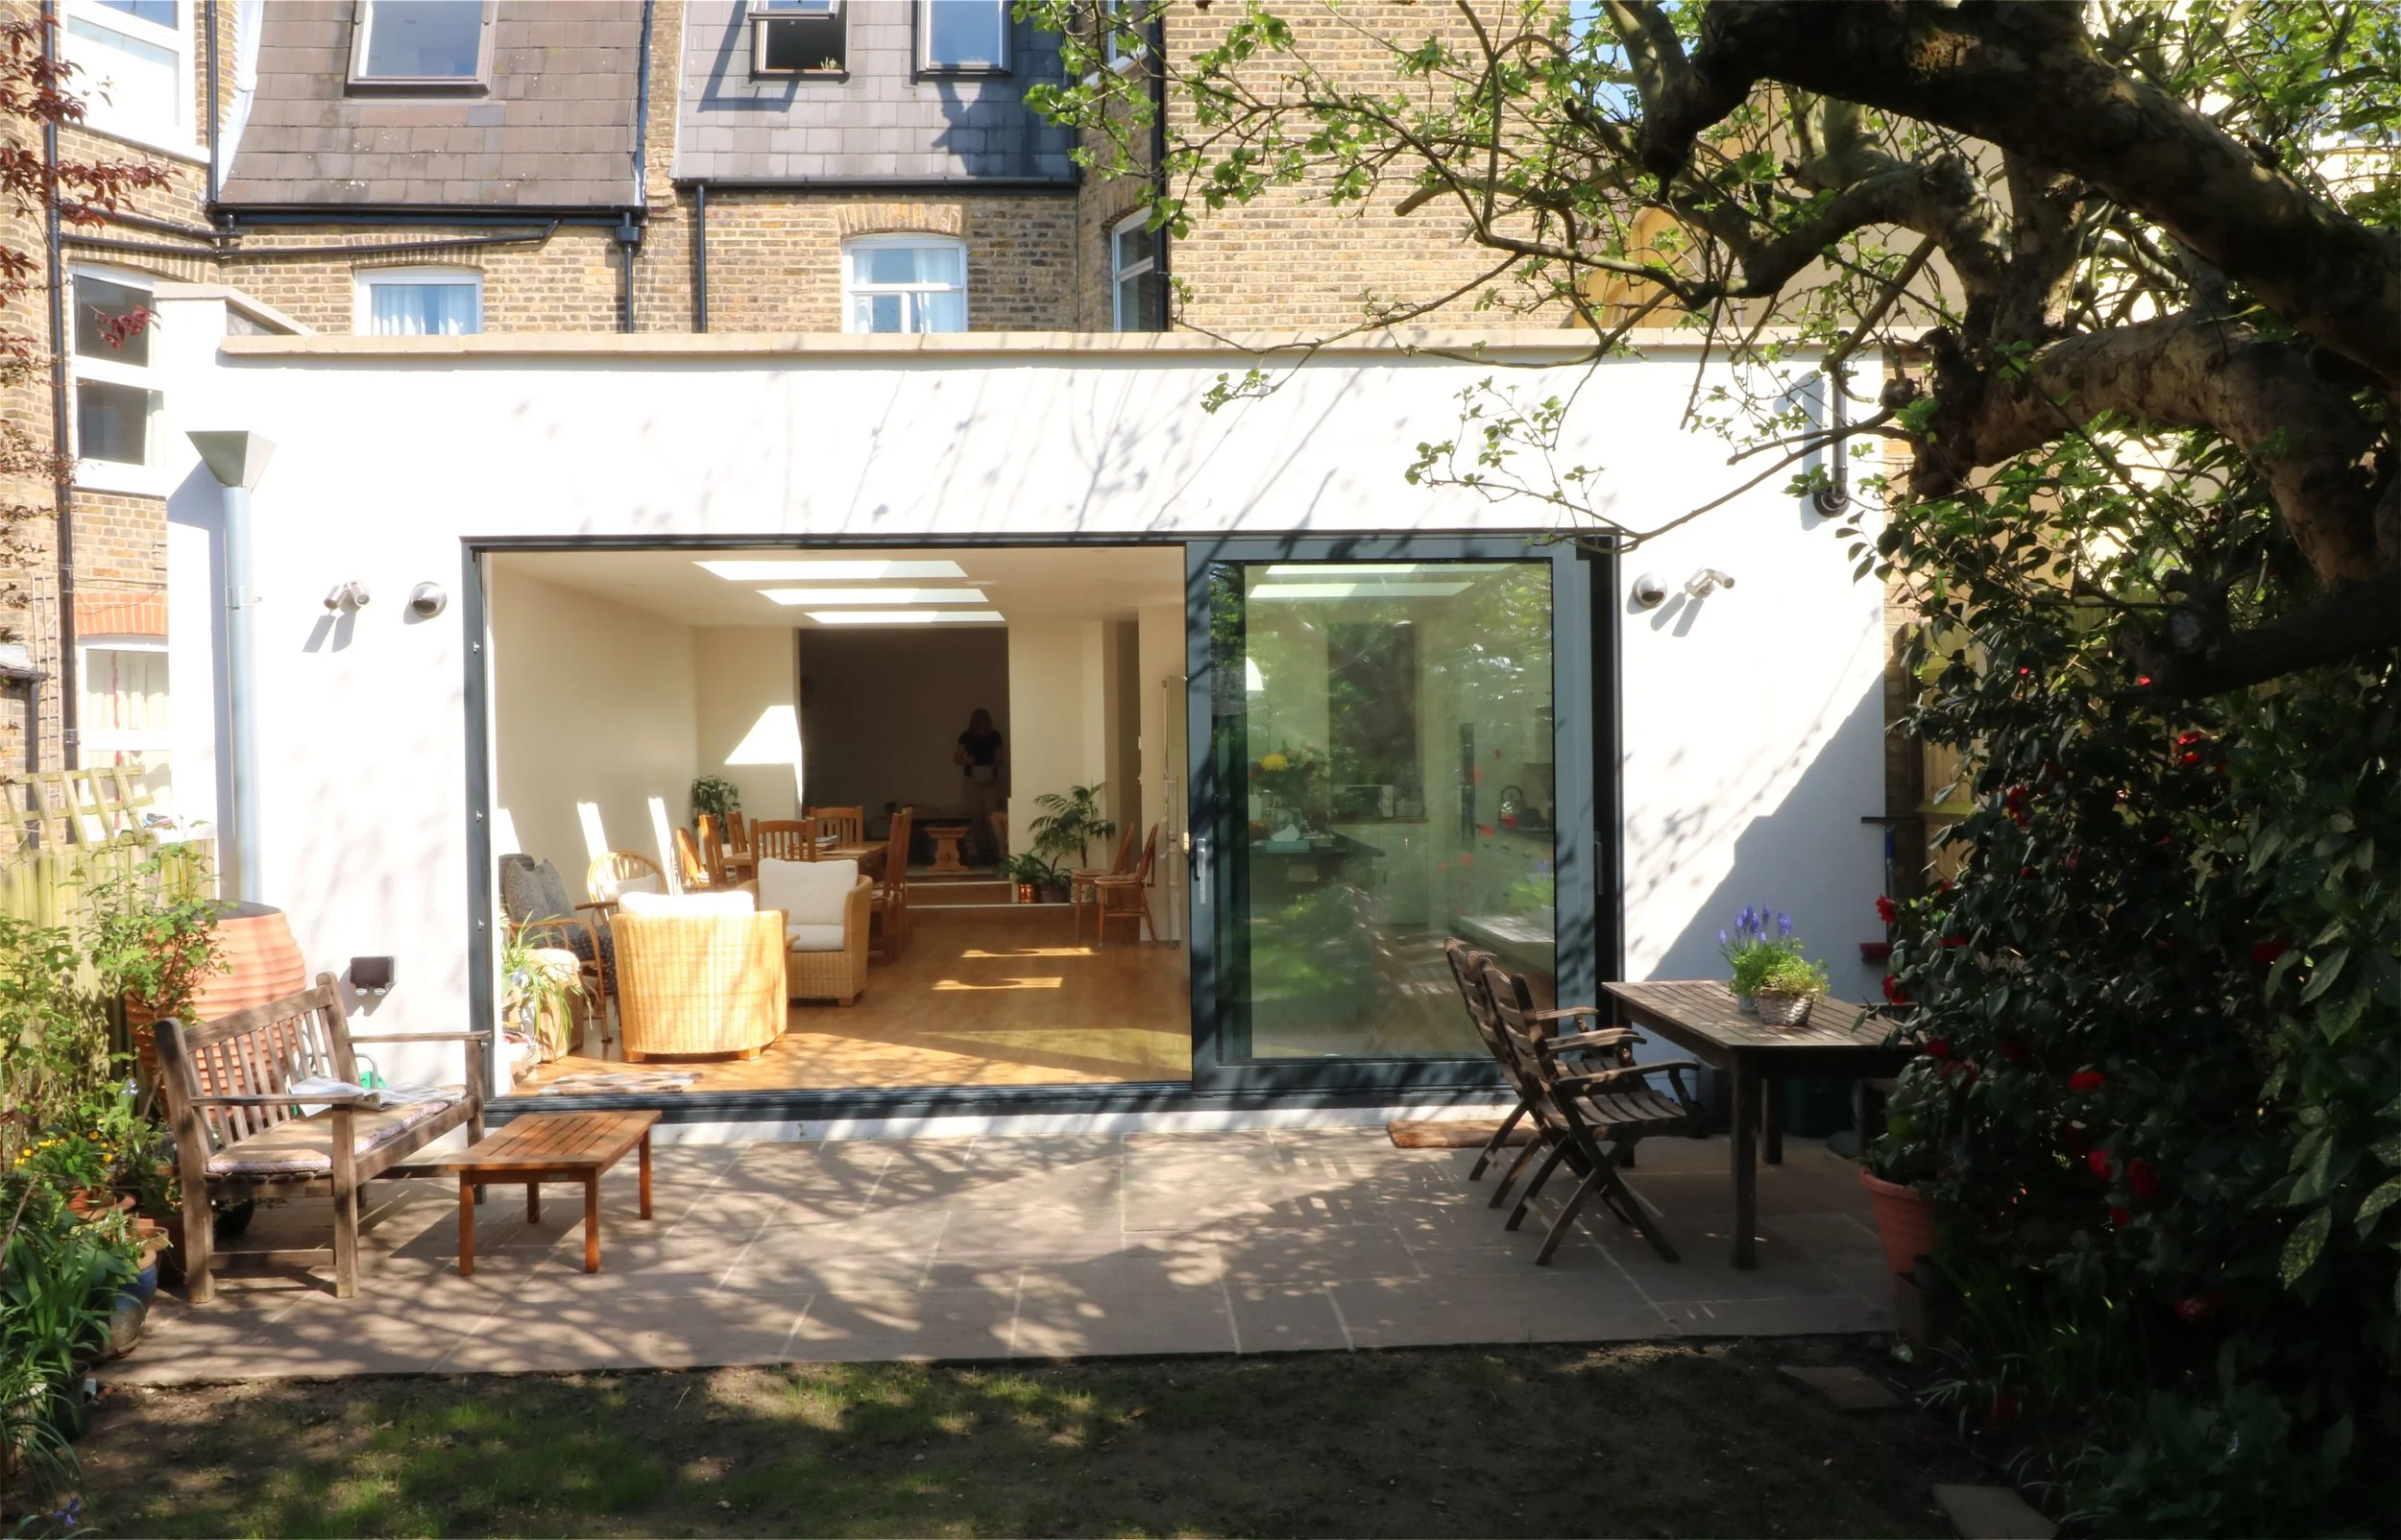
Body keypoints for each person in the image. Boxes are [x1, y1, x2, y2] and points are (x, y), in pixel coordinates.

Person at [954, 708, 1005, 865]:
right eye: (979, 720)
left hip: (989, 779)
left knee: (992, 815)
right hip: (972, 779)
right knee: (976, 816)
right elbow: (957, 757)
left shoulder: (994, 736)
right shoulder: (967, 736)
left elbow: (1000, 758)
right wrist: (966, 761)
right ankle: (982, 851)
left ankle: (997, 850)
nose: (982, 723)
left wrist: (991, 768)